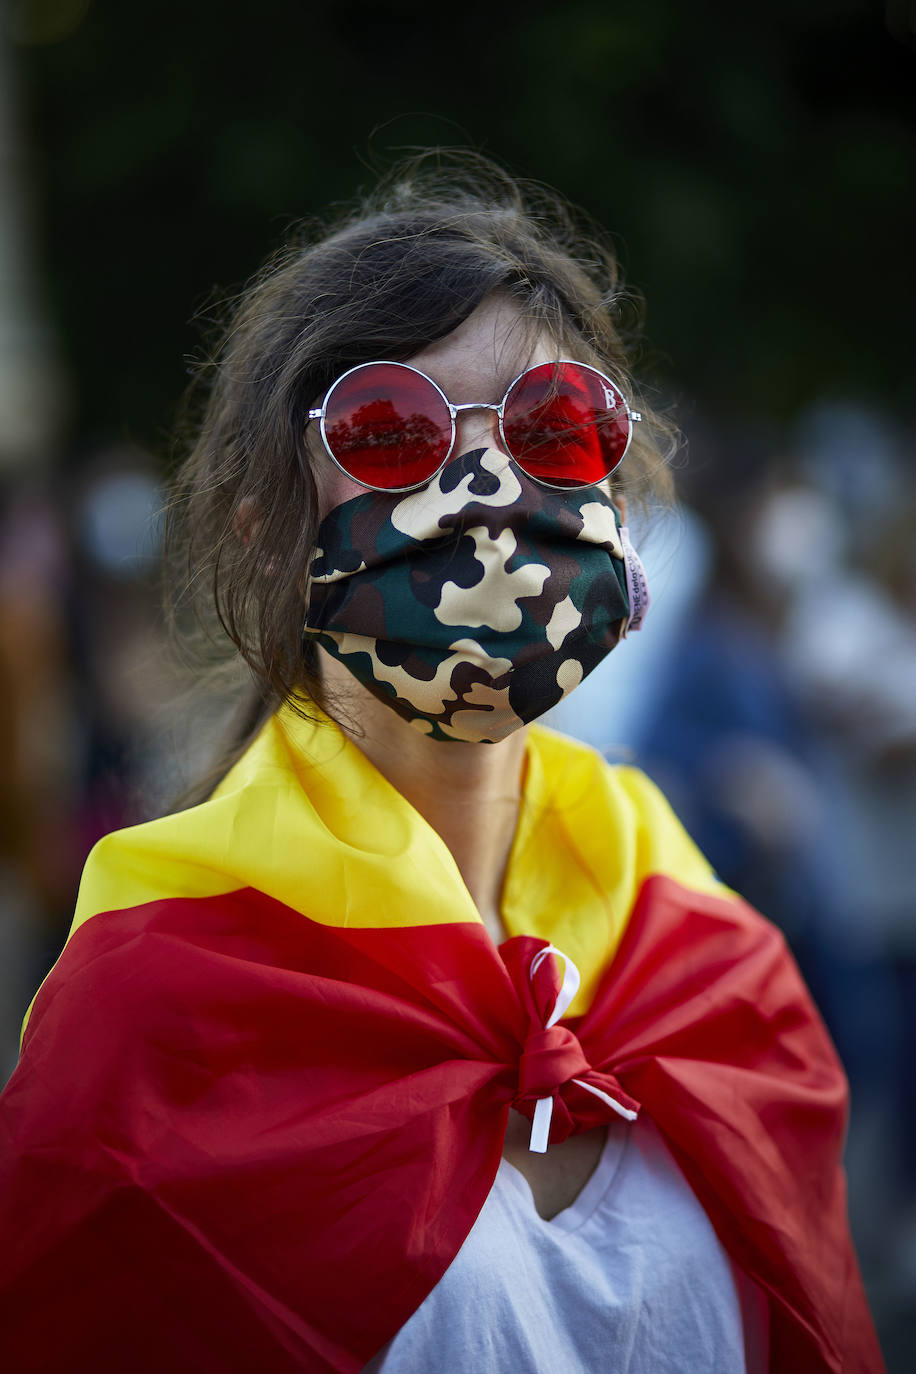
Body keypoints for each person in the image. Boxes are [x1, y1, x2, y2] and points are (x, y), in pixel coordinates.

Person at [0, 153, 883, 1373]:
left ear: (617, 500)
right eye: (389, 430)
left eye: (554, 424)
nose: (487, 482)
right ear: (269, 525)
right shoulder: (158, 1012)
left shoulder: (710, 961)